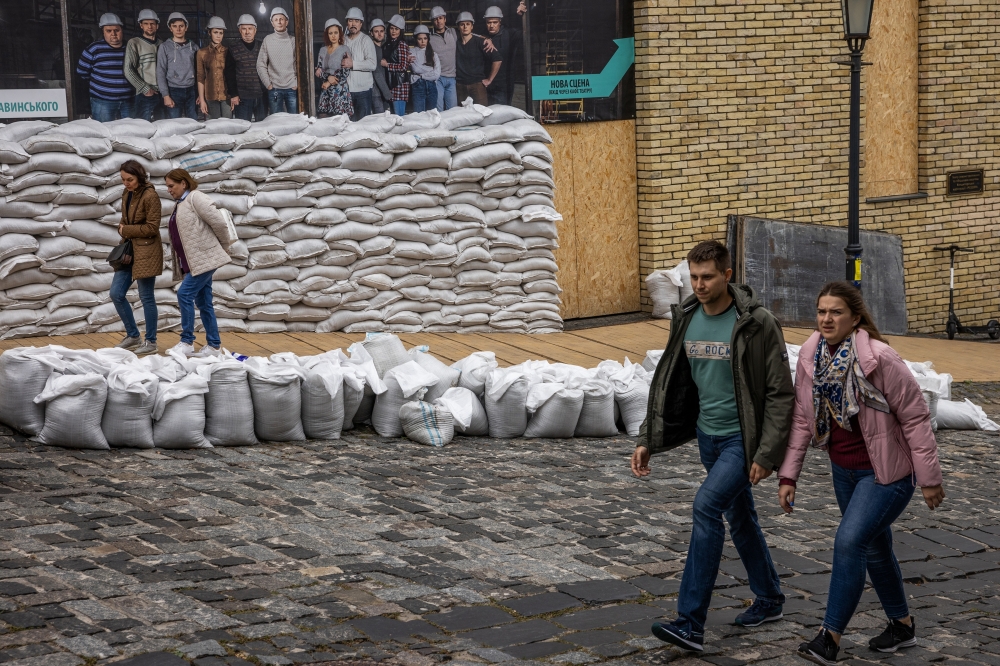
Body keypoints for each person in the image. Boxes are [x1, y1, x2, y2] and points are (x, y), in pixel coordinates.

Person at [632, 240, 794, 652]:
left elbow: (780, 393)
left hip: (744, 438)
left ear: (727, 275)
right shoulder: (685, 318)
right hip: (709, 437)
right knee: (739, 517)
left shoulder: (757, 322)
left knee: (706, 507)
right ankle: (770, 597)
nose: (699, 285)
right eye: (693, 277)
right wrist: (649, 439)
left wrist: (766, 453)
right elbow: (669, 384)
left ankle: (690, 623)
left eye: (707, 277)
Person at [778, 282, 945, 666]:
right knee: (874, 547)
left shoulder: (881, 358)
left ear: (855, 317)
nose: (826, 318)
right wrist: (789, 476)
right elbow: (803, 419)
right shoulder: (810, 356)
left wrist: (929, 478)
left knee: (850, 541)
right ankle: (902, 626)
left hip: (886, 475)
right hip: (843, 472)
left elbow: (915, 417)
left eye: (835, 312)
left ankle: (829, 638)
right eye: (821, 311)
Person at [164, 169, 233, 358]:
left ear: (183, 183)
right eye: (167, 186)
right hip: (194, 262)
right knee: (204, 302)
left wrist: (224, 246)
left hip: (206, 259)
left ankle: (187, 341)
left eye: (172, 186)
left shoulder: (195, 198)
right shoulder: (180, 204)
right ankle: (214, 346)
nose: (169, 190)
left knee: (184, 294)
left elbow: (218, 222)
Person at [111, 160, 161, 356]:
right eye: (123, 180)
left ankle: (151, 341)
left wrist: (126, 229)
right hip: (129, 251)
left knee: (146, 296)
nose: (126, 183)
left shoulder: (151, 195)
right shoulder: (126, 194)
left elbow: (152, 227)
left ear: (139, 176)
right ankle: (133, 336)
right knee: (116, 293)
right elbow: (124, 221)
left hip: (147, 252)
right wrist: (121, 228)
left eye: (129, 179)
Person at [77, 13, 134, 122]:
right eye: (109, 31)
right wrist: (103, 84)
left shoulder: (130, 47)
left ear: (122, 30)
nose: (113, 34)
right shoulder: (94, 49)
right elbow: (82, 72)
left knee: (129, 134)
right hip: (102, 101)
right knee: (105, 132)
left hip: (128, 101)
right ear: (103, 32)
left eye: (117, 30)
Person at [482, 3, 527, 106]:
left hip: (503, 85)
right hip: (486, 84)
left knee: (502, 114)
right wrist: (484, 38)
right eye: (489, 22)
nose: (491, 25)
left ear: (500, 22)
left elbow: (523, 30)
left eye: (495, 22)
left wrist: (520, 15)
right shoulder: (483, 36)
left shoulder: (509, 34)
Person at [156, 13, 199, 120]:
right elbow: (160, 71)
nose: (178, 29)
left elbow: (200, 71)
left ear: (186, 27)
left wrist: (199, 94)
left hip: (191, 90)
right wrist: (166, 95)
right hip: (173, 90)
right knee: (175, 123)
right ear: (170, 28)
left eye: (181, 26)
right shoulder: (164, 47)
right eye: (175, 26)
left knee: (193, 122)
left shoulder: (194, 47)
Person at [257, 7, 298, 114]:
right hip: (274, 88)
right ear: (272, 23)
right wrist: (268, 84)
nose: (279, 22)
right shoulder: (268, 40)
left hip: (291, 87)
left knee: (294, 120)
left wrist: (297, 81)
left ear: (287, 22)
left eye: (281, 19)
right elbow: (260, 64)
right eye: (276, 19)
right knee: (276, 121)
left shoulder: (294, 41)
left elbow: (300, 63)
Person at [124, 9, 163, 122]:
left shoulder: (162, 44)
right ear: (141, 25)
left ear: (157, 26)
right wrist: (145, 89)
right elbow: (128, 69)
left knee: (163, 126)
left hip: (162, 93)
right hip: (145, 94)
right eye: (146, 23)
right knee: (143, 127)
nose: (149, 26)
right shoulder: (134, 43)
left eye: (152, 24)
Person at [454, 12, 500, 106]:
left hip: (477, 85)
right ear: (458, 27)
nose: (465, 27)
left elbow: (497, 59)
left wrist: (489, 79)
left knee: (482, 113)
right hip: (460, 85)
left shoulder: (481, 42)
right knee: (463, 115)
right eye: (462, 24)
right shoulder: (455, 43)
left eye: (468, 24)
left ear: (472, 26)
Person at [196, 17, 238, 119]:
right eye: (215, 32)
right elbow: (200, 77)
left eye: (221, 33)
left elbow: (233, 75)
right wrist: (202, 100)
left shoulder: (228, 52)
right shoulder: (202, 53)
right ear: (209, 33)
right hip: (210, 97)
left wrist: (233, 95)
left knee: (227, 128)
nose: (218, 36)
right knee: (213, 129)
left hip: (226, 97)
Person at [230, 14, 267, 122]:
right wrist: (234, 94)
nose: (247, 32)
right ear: (239, 31)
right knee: (243, 128)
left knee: (263, 129)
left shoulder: (263, 46)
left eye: (250, 29)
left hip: (261, 96)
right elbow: (230, 73)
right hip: (242, 98)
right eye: (244, 29)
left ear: (255, 30)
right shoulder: (233, 48)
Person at [343, 7, 377, 120]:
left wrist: (353, 64)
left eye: (356, 21)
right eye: (350, 21)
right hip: (346, 91)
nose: (353, 24)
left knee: (363, 125)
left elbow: (372, 64)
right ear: (347, 22)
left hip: (363, 91)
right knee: (347, 125)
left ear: (361, 24)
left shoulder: (366, 40)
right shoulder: (342, 40)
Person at [315, 19, 353, 118]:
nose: (333, 36)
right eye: (330, 33)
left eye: (335, 32)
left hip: (339, 90)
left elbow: (345, 71)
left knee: (340, 121)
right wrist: (328, 79)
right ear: (327, 35)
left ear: (339, 33)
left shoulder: (345, 49)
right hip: (326, 90)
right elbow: (319, 70)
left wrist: (330, 81)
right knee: (324, 120)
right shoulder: (323, 50)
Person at [382, 14, 413, 116]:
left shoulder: (401, 44)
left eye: (396, 29)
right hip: (392, 84)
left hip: (400, 85)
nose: (393, 31)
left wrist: (387, 65)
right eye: (392, 28)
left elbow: (403, 66)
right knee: (393, 116)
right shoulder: (389, 44)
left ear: (400, 31)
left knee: (399, 116)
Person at [429, 6, 458, 111]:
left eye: (440, 18)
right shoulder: (429, 37)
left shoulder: (453, 33)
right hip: (438, 78)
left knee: (453, 110)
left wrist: (487, 39)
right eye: (435, 19)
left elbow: (471, 35)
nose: (438, 21)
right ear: (432, 21)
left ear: (445, 19)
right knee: (438, 110)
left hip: (452, 78)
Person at [410, 25, 440, 113]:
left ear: (428, 39)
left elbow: (437, 74)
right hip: (418, 86)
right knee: (419, 116)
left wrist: (422, 75)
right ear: (416, 39)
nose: (423, 41)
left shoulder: (433, 54)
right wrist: (430, 70)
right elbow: (416, 69)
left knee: (432, 115)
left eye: (425, 38)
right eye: (420, 39)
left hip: (432, 87)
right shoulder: (412, 52)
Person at [368, 19, 393, 114]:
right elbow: (377, 72)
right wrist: (387, 93)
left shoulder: (383, 48)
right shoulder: (372, 49)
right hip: (376, 92)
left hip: (382, 91)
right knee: (379, 120)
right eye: (376, 31)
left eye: (381, 31)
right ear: (371, 33)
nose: (379, 34)